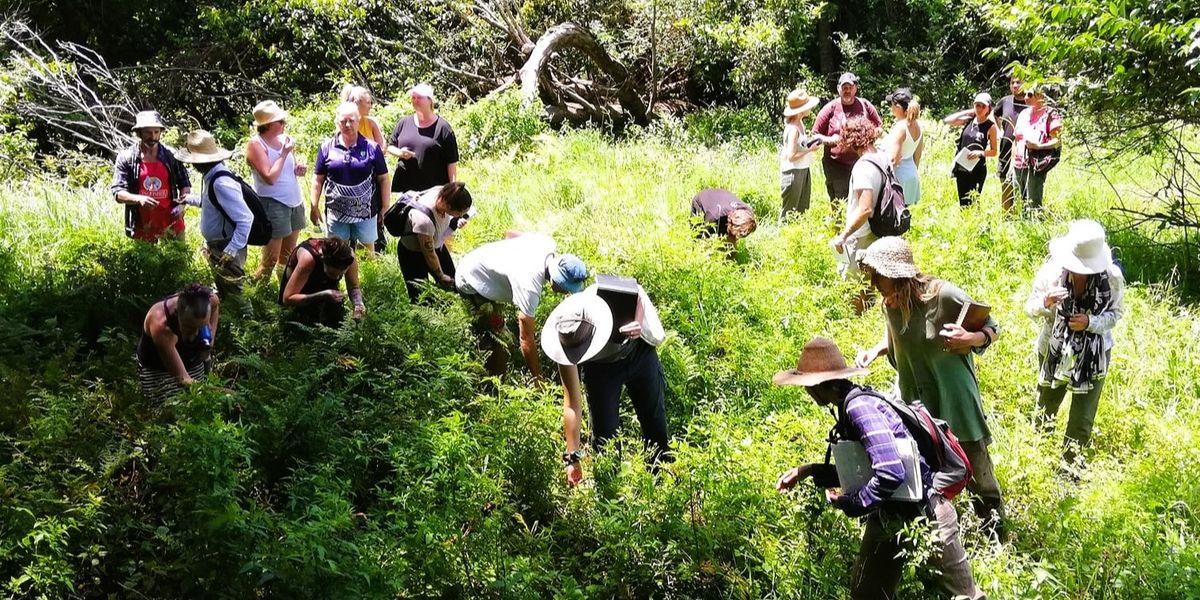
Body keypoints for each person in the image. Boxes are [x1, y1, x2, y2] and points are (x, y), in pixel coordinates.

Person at [775, 337, 985, 600]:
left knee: (964, 596)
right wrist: (808, 471)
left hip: (927, 512)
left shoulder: (858, 408)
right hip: (891, 511)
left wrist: (854, 502)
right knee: (868, 593)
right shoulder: (851, 404)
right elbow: (868, 469)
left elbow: (890, 472)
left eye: (807, 386)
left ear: (819, 387)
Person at [854, 236, 1007, 540]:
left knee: (976, 466)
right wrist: (876, 350)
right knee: (928, 468)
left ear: (898, 277)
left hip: (954, 397)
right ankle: (943, 530)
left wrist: (971, 339)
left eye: (880, 279)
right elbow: (898, 336)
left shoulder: (943, 296)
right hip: (917, 400)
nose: (876, 287)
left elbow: (992, 327)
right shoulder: (891, 304)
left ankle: (995, 530)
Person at [543, 283, 671, 487]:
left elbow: (636, 292)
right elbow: (572, 404)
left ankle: (662, 482)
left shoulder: (605, 297)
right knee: (605, 436)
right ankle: (611, 494)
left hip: (638, 353)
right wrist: (572, 458)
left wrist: (637, 322)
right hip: (600, 371)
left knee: (654, 418)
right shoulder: (566, 339)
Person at [1025, 220, 1124, 467]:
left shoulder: (1112, 278)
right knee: (1045, 405)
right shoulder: (1051, 273)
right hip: (1054, 349)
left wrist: (1090, 321)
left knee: (1082, 419)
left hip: (1094, 355)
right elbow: (1030, 308)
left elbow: (1116, 314)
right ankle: (1037, 459)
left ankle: (1070, 468)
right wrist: (1046, 302)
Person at [454, 232, 588, 378]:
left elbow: (510, 234)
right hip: (471, 281)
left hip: (478, 261)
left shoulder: (545, 242)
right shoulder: (529, 287)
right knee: (503, 342)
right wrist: (538, 379)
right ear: (556, 281)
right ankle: (493, 385)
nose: (566, 293)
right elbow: (526, 339)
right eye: (566, 288)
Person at [175, 130, 254, 317]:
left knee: (237, 292)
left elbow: (245, 218)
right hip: (220, 245)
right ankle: (233, 325)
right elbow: (213, 203)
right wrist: (190, 199)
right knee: (226, 291)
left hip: (226, 245)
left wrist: (231, 249)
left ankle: (251, 332)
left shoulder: (220, 182)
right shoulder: (212, 176)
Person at [311, 102, 391, 248]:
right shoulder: (326, 147)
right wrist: (314, 205)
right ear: (337, 122)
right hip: (336, 213)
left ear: (358, 121)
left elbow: (384, 178)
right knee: (337, 252)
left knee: (367, 252)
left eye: (351, 120)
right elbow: (318, 179)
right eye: (343, 121)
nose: (347, 124)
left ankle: (367, 272)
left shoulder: (372, 147)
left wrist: (385, 206)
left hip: (365, 213)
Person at [828, 116, 886, 314]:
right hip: (880, 228)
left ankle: (852, 322)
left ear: (851, 140)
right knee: (869, 280)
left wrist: (844, 235)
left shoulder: (863, 167)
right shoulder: (882, 157)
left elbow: (865, 208)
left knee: (851, 283)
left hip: (861, 233)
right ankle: (866, 319)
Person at [246, 100, 307, 281]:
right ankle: (256, 293)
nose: (284, 124)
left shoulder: (283, 140)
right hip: (273, 204)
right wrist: (284, 153)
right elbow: (270, 177)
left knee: (287, 258)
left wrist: (298, 169)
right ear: (267, 125)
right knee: (270, 260)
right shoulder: (255, 144)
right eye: (280, 121)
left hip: (294, 201)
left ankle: (284, 295)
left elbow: (286, 170)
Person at [110, 111, 192, 241]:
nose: (153, 136)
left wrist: (181, 206)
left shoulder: (171, 155)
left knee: (177, 261)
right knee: (144, 261)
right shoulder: (127, 158)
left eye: (156, 132)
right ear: (139, 133)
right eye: (148, 132)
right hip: (141, 227)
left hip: (172, 225)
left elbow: (185, 185)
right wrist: (138, 199)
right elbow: (117, 192)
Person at [811, 73, 884, 211]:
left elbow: (880, 127)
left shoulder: (865, 105)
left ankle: (860, 230)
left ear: (855, 88)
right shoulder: (830, 108)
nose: (847, 91)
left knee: (862, 200)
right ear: (838, 89)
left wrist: (868, 136)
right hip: (837, 166)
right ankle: (839, 230)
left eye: (850, 87)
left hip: (863, 162)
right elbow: (815, 134)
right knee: (839, 203)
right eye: (844, 87)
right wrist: (830, 140)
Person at [137, 283, 219, 402]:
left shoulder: (207, 300)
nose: (195, 334)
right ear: (177, 313)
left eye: (200, 328)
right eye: (190, 328)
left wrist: (210, 335)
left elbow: (215, 306)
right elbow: (182, 379)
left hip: (192, 362)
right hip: (158, 370)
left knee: (198, 406)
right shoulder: (160, 325)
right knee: (167, 411)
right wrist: (221, 394)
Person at [395, 182, 473, 302]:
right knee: (421, 298)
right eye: (459, 213)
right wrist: (440, 275)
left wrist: (457, 220)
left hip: (437, 246)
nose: (461, 215)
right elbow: (430, 254)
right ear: (448, 206)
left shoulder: (447, 193)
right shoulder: (423, 220)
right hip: (412, 255)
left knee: (454, 286)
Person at [387, 83, 460, 195]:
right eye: (413, 97)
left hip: (434, 191)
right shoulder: (404, 123)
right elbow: (390, 146)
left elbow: (451, 162)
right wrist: (400, 153)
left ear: (430, 100)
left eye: (419, 97)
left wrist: (453, 190)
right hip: (405, 189)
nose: (415, 100)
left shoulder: (443, 127)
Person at [279, 236, 366, 327]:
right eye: (332, 274)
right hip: (300, 289)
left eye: (340, 275)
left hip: (325, 287)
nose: (336, 278)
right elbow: (288, 298)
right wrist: (322, 295)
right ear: (322, 260)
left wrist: (358, 304)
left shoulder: (349, 258)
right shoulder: (308, 259)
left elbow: (353, 287)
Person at [1012, 84, 1063, 215]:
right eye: (1025, 94)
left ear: (1040, 96)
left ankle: (1035, 229)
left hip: (1036, 164)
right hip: (1018, 164)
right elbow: (1016, 139)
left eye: (1030, 94)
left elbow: (1057, 141)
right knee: (1019, 203)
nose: (1025, 98)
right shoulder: (1023, 114)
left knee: (1033, 204)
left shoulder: (1050, 114)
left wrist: (1038, 146)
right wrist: (1012, 163)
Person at [943, 93, 999, 207]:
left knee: (973, 201)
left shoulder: (990, 126)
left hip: (977, 168)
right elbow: (948, 120)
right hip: (962, 167)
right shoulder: (968, 121)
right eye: (977, 105)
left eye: (983, 106)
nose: (980, 108)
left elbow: (994, 151)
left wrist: (981, 153)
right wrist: (968, 112)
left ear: (988, 108)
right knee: (963, 202)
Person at [779, 89, 821, 218]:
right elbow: (791, 156)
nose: (810, 109)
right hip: (793, 172)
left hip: (803, 169)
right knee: (789, 213)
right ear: (801, 110)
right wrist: (810, 149)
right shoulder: (793, 129)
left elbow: (800, 146)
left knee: (802, 210)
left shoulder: (800, 123)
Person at [994, 74, 1029, 211]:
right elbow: (994, 114)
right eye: (1012, 82)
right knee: (1006, 183)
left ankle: (1025, 215)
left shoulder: (1030, 102)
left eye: (1018, 82)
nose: (1015, 85)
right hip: (1005, 150)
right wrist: (998, 130)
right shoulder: (1005, 101)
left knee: (1025, 185)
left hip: (1024, 152)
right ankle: (1007, 216)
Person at [882, 88, 923, 205]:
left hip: (898, 179)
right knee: (905, 216)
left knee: (893, 217)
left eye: (892, 104)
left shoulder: (901, 127)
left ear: (898, 108)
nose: (891, 107)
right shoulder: (918, 125)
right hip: (911, 176)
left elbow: (893, 160)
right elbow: (917, 156)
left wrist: (885, 183)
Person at [690, 188, 757, 251]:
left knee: (728, 243)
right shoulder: (713, 217)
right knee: (698, 237)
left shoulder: (748, 214)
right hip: (701, 201)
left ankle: (729, 258)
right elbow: (702, 234)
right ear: (732, 224)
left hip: (722, 200)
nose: (740, 236)